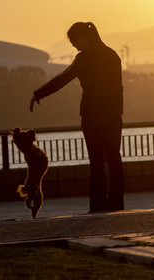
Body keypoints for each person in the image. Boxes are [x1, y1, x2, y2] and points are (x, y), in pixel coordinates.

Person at [30, 22, 124, 212]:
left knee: (96, 161)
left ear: (83, 37)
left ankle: (98, 206)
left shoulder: (83, 59)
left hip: (91, 116)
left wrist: (39, 94)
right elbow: (118, 89)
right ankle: (116, 204)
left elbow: (63, 78)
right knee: (114, 159)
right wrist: (117, 112)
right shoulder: (112, 55)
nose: (75, 46)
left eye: (75, 41)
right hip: (112, 116)